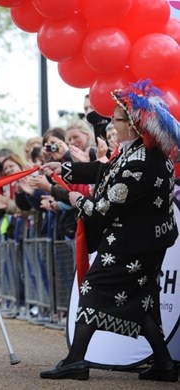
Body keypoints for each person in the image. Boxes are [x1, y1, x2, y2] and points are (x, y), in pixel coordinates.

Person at [39, 80, 179, 382]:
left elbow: (102, 207)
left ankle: (75, 360)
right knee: (139, 303)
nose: (110, 123)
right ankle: (165, 365)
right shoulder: (136, 153)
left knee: (94, 290)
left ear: (133, 125)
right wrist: (62, 168)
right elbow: (104, 171)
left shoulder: (143, 164)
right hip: (135, 240)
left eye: (116, 119)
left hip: (133, 243)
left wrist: (65, 194)